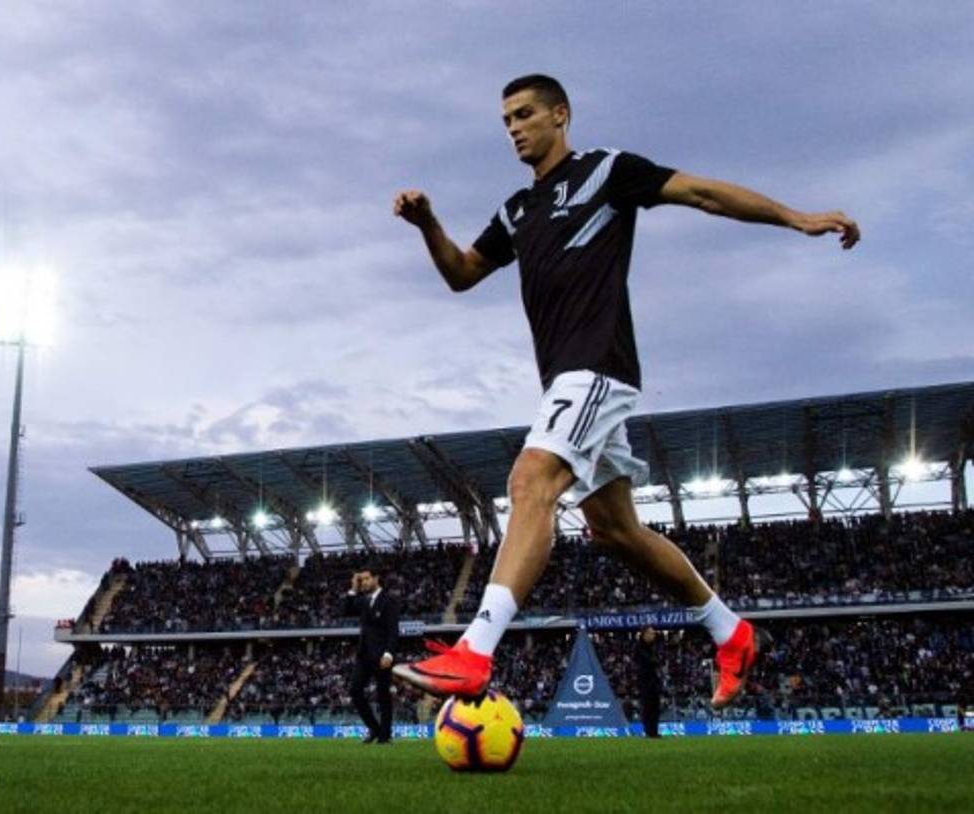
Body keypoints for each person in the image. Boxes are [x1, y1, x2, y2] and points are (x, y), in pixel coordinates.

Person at [391, 73, 859, 709]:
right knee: (613, 529)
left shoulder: (606, 172)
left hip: (597, 366)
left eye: (525, 114)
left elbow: (702, 193)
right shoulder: (517, 211)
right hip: (566, 377)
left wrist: (794, 217)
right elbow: (463, 273)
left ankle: (474, 651)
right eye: (506, 120)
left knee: (532, 483)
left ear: (561, 115)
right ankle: (732, 631)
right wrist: (428, 224)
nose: (514, 129)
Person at [344, 566, 400, 743]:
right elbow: (345, 610)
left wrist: (389, 654)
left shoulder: (388, 600)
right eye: (363, 580)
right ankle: (374, 728)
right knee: (354, 690)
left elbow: (393, 630)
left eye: (367, 579)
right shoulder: (363, 600)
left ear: (376, 579)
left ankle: (385, 735)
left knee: (383, 695)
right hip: (364, 654)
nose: (364, 582)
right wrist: (353, 587)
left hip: (382, 656)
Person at [635, 626, 662, 738]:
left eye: (653, 633)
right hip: (645, 680)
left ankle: (654, 731)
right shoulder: (639, 647)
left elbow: (656, 660)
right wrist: (655, 661)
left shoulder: (653, 647)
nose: (653, 636)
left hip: (653, 679)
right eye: (650, 633)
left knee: (655, 706)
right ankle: (648, 731)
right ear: (644, 634)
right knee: (647, 706)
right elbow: (650, 661)